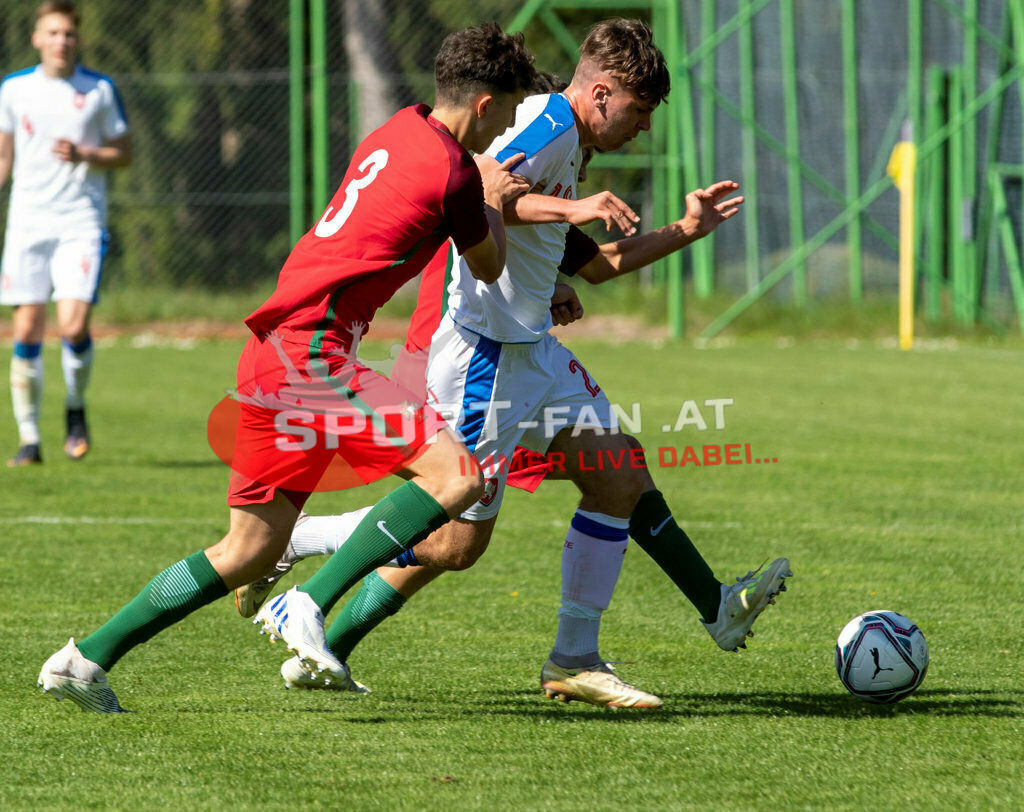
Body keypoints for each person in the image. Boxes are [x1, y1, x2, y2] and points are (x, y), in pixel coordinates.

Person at [236, 19, 791, 709]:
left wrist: (684, 230)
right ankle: (300, 559)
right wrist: (573, 205)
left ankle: (596, 650)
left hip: (531, 350)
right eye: (639, 112)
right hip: (484, 354)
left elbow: (597, 265)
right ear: (601, 92)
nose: (643, 130)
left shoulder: (570, 140)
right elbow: (481, 188)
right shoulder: (548, 125)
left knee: (617, 474)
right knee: (452, 540)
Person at [37, 21, 537, 713]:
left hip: (271, 355)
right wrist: (493, 197)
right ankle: (309, 599)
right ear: (485, 106)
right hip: (315, 358)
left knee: (247, 550)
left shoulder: (399, 126)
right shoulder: (456, 170)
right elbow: (489, 263)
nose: (507, 128)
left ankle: (83, 659)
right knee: (458, 476)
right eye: (509, 111)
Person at [0, 1, 132, 465]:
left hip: (80, 222)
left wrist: (86, 154)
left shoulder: (98, 89)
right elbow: (3, 159)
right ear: (37, 38)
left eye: (68, 34)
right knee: (26, 328)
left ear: (78, 39)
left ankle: (75, 410)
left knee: (73, 325)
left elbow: (124, 152)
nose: (61, 41)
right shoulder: (13, 90)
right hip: (27, 224)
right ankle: (30, 438)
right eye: (52, 33)